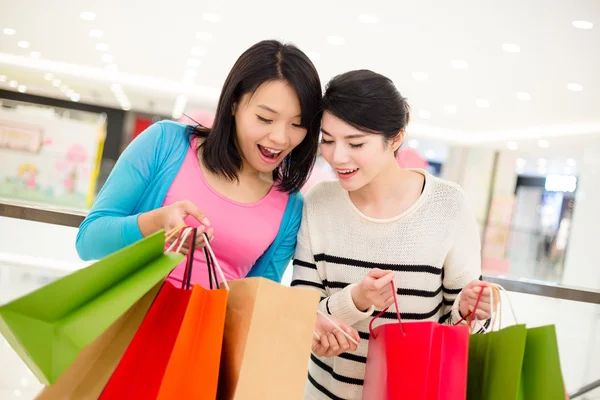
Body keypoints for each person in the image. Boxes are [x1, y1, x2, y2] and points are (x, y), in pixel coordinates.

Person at [292, 70, 492, 399]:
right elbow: (301, 312)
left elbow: (459, 326)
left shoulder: (448, 205)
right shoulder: (319, 203)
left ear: (396, 138)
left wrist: (469, 310)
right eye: (327, 140)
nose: (337, 157)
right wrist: (356, 300)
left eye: (355, 143)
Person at [76, 39, 324, 288]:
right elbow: (88, 241)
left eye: (297, 124)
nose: (281, 138)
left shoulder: (290, 207)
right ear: (234, 103)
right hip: (128, 321)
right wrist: (156, 223)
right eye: (265, 118)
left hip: (208, 326)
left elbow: (256, 301)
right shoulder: (165, 143)